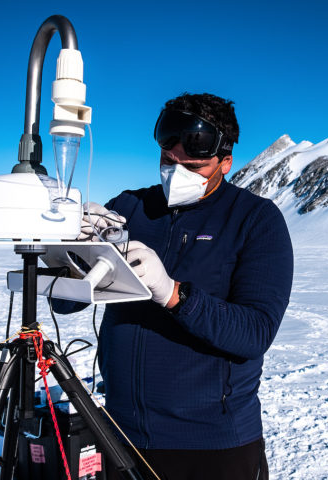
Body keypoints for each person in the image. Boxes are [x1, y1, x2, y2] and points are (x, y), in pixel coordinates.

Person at [57, 93, 294, 480]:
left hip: (213, 447)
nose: (177, 172)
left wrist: (172, 294)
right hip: (120, 435)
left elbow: (255, 333)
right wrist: (72, 255)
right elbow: (66, 306)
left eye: (194, 165)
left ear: (226, 162)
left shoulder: (255, 220)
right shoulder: (130, 208)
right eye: (169, 162)